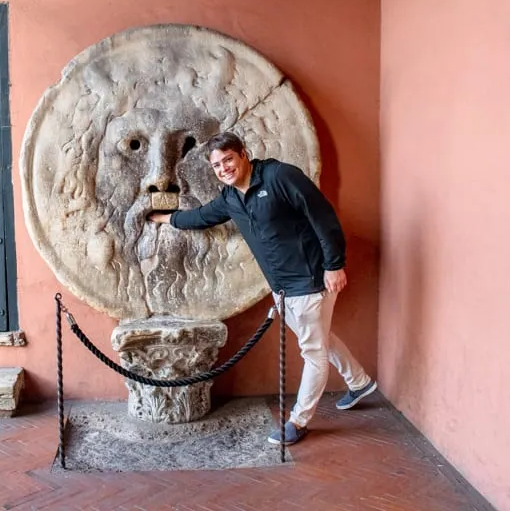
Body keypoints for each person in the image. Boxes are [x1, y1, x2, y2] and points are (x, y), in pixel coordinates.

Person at [148, 132, 377, 445]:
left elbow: (322, 216)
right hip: (281, 286)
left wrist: (334, 265)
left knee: (313, 353)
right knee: (319, 339)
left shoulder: (280, 176)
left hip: (310, 279)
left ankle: (299, 421)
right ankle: (359, 381)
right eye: (217, 165)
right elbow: (200, 217)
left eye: (228, 159)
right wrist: (162, 218)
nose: (224, 168)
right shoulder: (231, 197)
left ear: (243, 153)